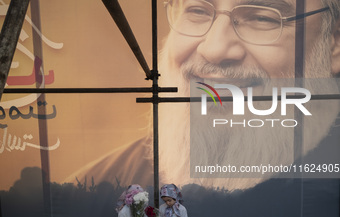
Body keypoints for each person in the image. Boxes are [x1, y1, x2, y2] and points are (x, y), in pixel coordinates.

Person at [66, 0, 340, 191]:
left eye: (263, 18)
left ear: (334, 44)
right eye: (197, 10)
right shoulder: (93, 191)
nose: (214, 49)